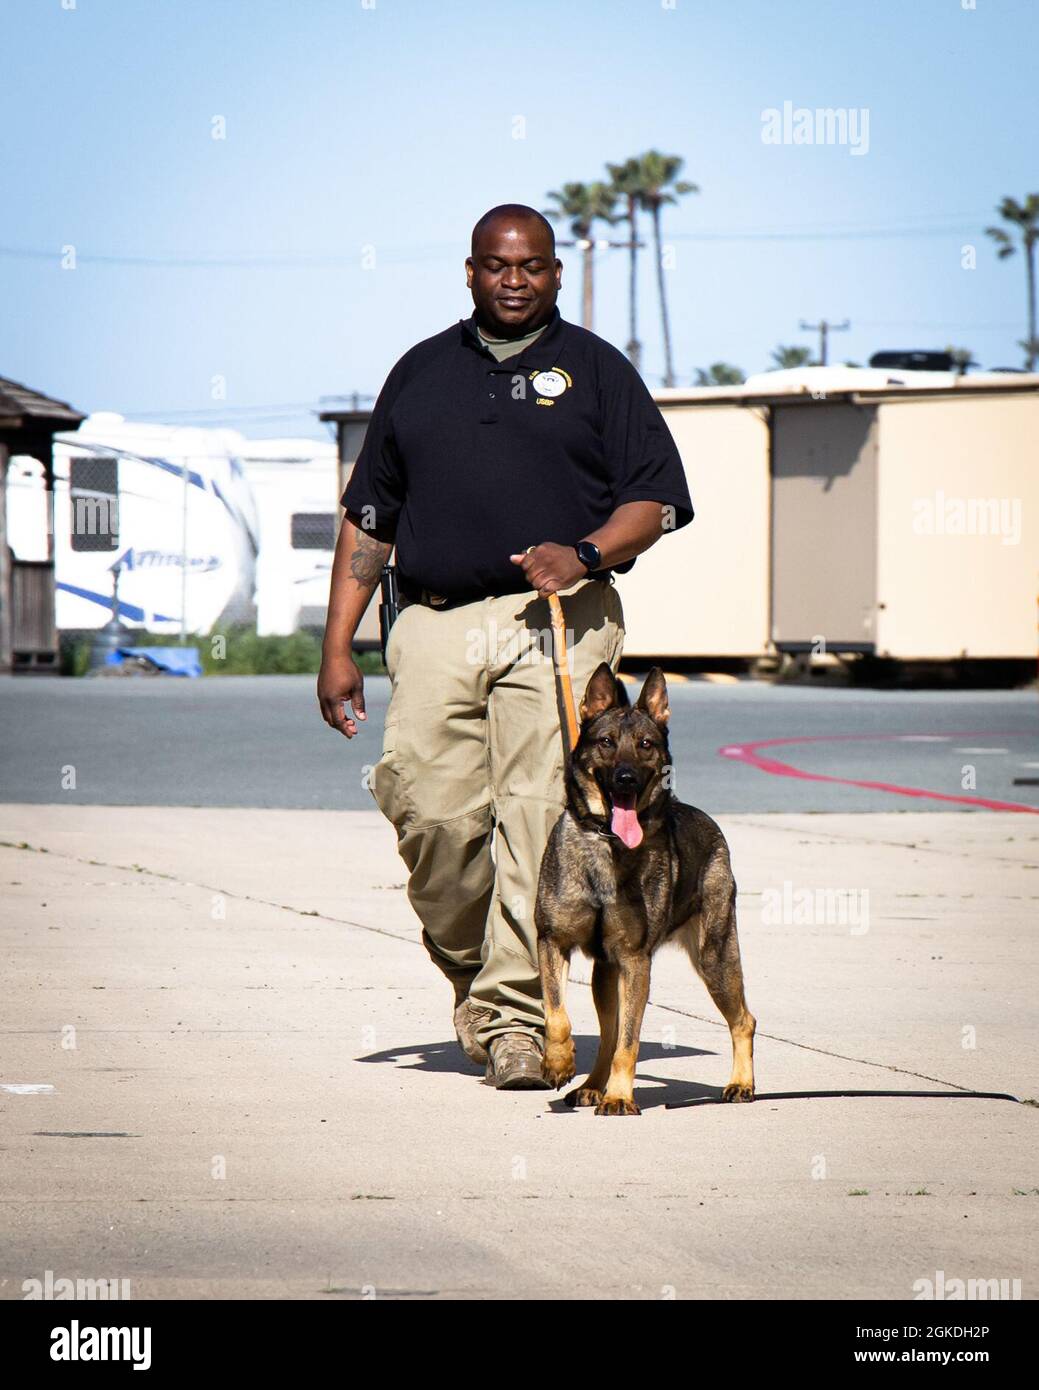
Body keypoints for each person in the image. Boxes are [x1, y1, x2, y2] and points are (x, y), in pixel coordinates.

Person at [318, 203, 693, 1089]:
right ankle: (470, 970)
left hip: (557, 619)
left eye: (530, 265)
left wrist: (589, 551)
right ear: (470, 271)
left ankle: (518, 1020)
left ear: (555, 274)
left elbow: (658, 501)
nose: (513, 279)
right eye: (496, 265)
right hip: (436, 620)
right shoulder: (420, 372)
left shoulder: (598, 372)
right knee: (430, 813)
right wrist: (337, 646)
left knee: (538, 819)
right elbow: (368, 521)